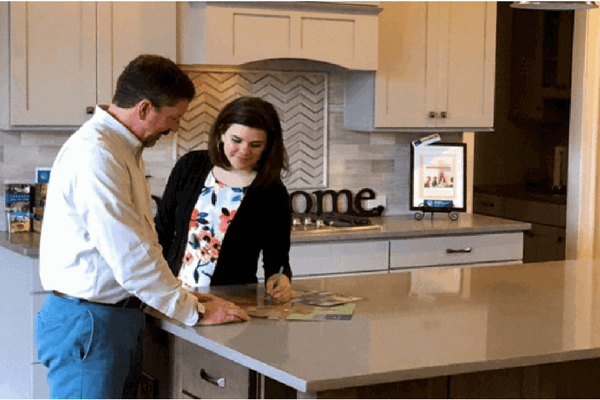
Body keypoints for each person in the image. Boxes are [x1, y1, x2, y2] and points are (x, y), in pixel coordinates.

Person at [35, 54, 249, 400]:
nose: (176, 128)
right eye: (174, 118)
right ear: (145, 108)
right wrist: (192, 311)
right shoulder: (97, 155)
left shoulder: (120, 149)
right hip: (91, 324)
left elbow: (142, 244)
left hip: (108, 320)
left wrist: (180, 295)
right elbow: (131, 256)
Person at [155, 96, 293, 301]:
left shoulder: (272, 192)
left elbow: (277, 261)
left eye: (255, 144)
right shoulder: (190, 166)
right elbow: (161, 232)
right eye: (236, 140)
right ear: (221, 134)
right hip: (174, 298)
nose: (244, 151)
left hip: (231, 303)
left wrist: (280, 282)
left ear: (268, 146)